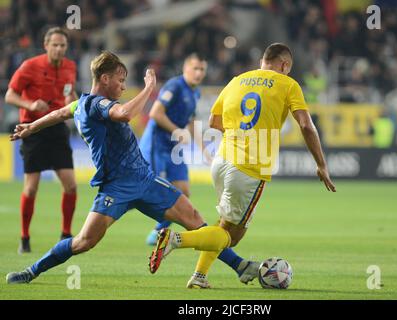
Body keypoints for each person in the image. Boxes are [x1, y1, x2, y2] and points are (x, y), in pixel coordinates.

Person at [5, 51, 255, 287]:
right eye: (121, 80)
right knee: (83, 242)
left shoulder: (79, 105)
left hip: (145, 180)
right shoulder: (98, 105)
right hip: (117, 187)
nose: (124, 86)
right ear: (104, 79)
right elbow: (124, 114)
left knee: (195, 220)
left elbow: (59, 113)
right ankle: (31, 271)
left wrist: (32, 126)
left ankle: (240, 265)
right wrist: (148, 88)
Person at [150, 43, 336, 288]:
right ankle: (175, 239)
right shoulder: (288, 84)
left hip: (222, 161)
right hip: (249, 169)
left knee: (223, 224)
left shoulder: (238, 81)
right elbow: (305, 125)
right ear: (285, 65)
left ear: (262, 61)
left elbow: (214, 122)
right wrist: (321, 164)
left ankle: (199, 276)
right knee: (231, 236)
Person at [5, 27, 78, 254]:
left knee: (71, 185)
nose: (58, 49)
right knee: (31, 188)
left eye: (62, 45)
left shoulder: (70, 67)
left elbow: (70, 94)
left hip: (57, 128)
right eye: (54, 44)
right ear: (46, 45)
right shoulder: (29, 66)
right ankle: (24, 238)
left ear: (66, 47)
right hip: (33, 130)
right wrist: (30, 105)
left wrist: (73, 100)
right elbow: (9, 95)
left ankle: (66, 235)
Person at [139, 53, 212, 246]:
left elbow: (192, 123)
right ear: (185, 68)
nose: (198, 73)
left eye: (202, 69)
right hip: (156, 144)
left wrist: (205, 151)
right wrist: (177, 131)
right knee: (148, 191)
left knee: (184, 192)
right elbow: (155, 113)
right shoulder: (175, 86)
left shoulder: (195, 92)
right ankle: (113, 208)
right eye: (195, 68)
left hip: (173, 148)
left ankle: (157, 232)